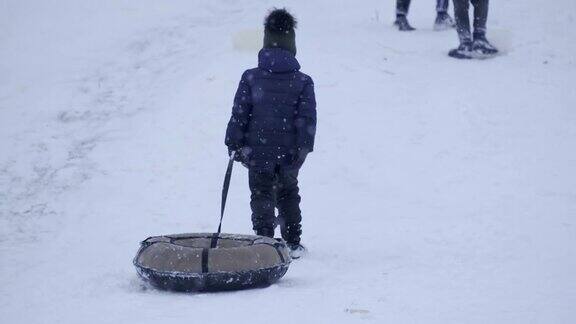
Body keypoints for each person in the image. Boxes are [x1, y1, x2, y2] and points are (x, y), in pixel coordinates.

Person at [225, 8, 317, 259]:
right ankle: (292, 242)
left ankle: (265, 241)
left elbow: (240, 114)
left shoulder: (251, 78)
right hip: (288, 152)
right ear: (292, 45)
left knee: (261, 192)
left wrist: (233, 141)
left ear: (266, 43)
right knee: (288, 193)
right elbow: (307, 118)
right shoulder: (303, 81)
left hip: (258, 150)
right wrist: (303, 147)